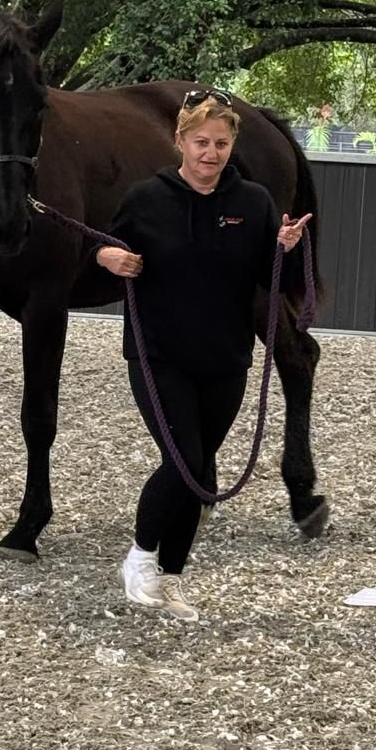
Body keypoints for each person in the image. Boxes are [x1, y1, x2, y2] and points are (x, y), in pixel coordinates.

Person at [95, 91, 310, 621]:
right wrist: (107, 255)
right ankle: (139, 559)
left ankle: (171, 578)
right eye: (200, 142)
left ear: (232, 145)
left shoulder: (254, 203)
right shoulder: (147, 198)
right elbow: (98, 248)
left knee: (202, 475)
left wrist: (282, 247)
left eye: (220, 143)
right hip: (158, 354)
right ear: (180, 143)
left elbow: (265, 276)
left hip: (225, 357)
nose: (210, 152)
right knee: (185, 461)